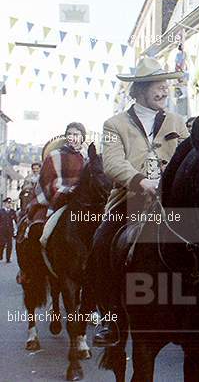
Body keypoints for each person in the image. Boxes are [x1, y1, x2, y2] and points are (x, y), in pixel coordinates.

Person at [86, 56, 188, 347]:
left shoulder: (178, 122)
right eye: (159, 85)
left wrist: (170, 183)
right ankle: (110, 318)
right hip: (129, 200)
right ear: (140, 89)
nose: (165, 91)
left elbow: (186, 157)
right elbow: (113, 164)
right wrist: (143, 182)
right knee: (100, 244)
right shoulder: (114, 124)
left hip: (171, 201)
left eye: (166, 85)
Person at [25, 123, 87, 225]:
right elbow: (45, 184)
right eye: (69, 134)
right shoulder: (54, 156)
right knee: (39, 229)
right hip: (58, 200)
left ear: (82, 137)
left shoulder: (87, 158)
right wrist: (65, 190)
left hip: (83, 201)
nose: (72, 138)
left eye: (76, 135)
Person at [0, 198, 17, 263]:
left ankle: (8, 258)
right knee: (1, 244)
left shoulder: (13, 212)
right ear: (4, 203)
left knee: (10, 245)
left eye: (10, 203)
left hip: (10, 230)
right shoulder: (1, 211)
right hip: (2, 231)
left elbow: (16, 220)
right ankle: (0, 255)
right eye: (8, 203)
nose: (9, 204)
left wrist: (16, 230)